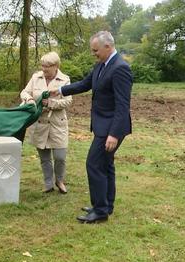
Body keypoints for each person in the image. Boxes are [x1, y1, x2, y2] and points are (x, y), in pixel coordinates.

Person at [50, 31, 132, 223]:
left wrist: (114, 134)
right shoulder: (101, 65)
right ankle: (105, 205)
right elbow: (85, 84)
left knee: (94, 164)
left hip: (111, 128)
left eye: (95, 50)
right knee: (106, 165)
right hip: (102, 125)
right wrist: (60, 90)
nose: (93, 53)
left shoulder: (120, 68)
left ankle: (100, 211)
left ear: (107, 47)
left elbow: (122, 105)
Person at [20, 52, 72, 194]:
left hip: (57, 123)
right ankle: (48, 183)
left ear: (56, 66)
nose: (44, 69)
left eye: (47, 66)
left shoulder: (65, 80)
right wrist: (29, 99)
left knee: (60, 157)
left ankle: (59, 180)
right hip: (40, 124)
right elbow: (24, 92)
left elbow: (68, 101)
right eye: (42, 66)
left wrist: (51, 103)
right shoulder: (36, 77)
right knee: (44, 157)